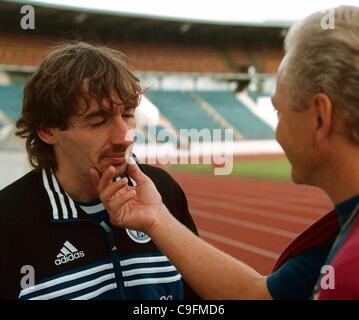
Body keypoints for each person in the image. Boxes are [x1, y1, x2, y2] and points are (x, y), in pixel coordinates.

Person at [92, 6, 359, 300]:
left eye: (278, 111)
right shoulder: (342, 230)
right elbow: (257, 296)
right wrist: (156, 217)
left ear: (320, 117)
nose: (278, 131)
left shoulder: (348, 278)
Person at [0, 42, 200, 300]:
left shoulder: (162, 190)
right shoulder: (8, 220)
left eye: (128, 114)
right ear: (48, 131)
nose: (124, 137)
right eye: (98, 121)